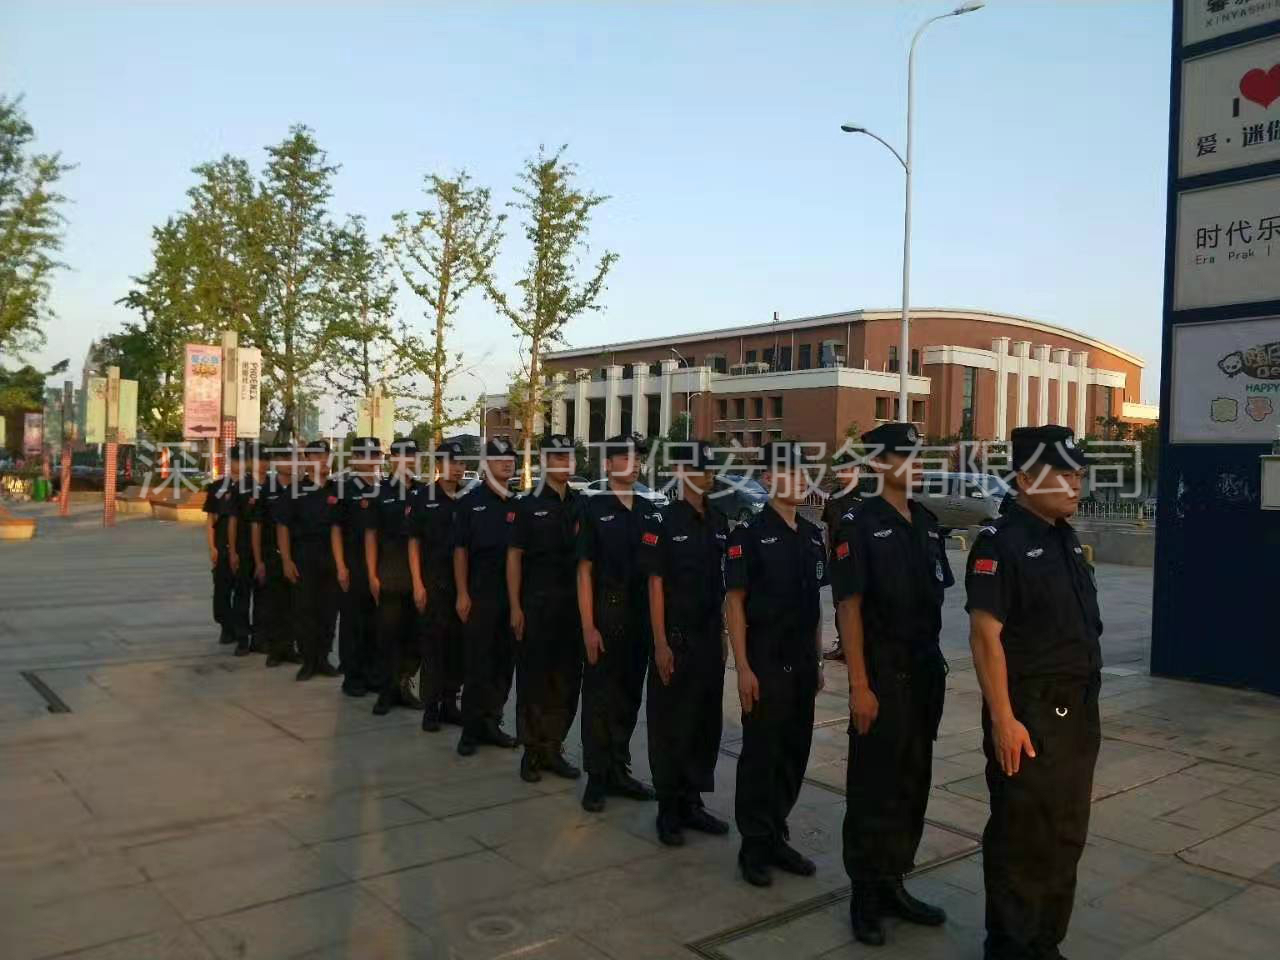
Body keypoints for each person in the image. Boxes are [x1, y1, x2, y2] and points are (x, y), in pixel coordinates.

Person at [966, 425, 1101, 960]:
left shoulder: (1065, 539)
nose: (1076, 483)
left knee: (1065, 834)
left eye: (1078, 473)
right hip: (1030, 714)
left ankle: (1046, 943)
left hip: (1076, 715)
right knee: (1023, 838)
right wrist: (1003, 718)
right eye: (1063, 473)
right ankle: (1010, 947)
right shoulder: (1001, 542)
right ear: (1025, 479)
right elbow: (985, 637)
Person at [832, 422, 952, 946]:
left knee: (911, 783)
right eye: (906, 456)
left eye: (919, 455)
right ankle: (865, 895)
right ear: (879, 463)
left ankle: (894, 881)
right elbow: (849, 608)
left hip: (924, 676)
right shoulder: (859, 523)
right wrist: (859, 685)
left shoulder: (926, 522)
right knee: (873, 786)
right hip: (882, 677)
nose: (917, 464)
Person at [727, 441, 827, 887]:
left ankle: (776, 834)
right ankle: (754, 845)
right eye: (788, 471)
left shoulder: (811, 534)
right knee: (761, 756)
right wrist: (743, 669)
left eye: (803, 471)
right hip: (765, 663)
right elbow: (735, 604)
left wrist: (818, 659)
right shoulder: (748, 534)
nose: (799, 479)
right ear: (767, 479)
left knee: (793, 753)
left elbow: (816, 604)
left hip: (802, 663)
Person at [639, 439, 732, 847]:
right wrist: (660, 642)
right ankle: (669, 808)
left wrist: (724, 634)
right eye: (699, 469)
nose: (706, 476)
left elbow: (723, 585)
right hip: (675, 639)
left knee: (703, 722)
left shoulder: (719, 521)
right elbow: (655, 585)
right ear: (680, 472)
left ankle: (692, 801)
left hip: (709, 638)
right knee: (670, 723)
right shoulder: (663, 521)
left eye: (710, 469)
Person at [576, 433, 660, 812]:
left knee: (629, 695)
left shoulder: (649, 510)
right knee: (599, 697)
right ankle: (597, 776)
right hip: (605, 614)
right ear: (608, 465)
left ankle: (618, 769)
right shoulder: (593, 509)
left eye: (638, 457)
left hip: (640, 616)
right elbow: (584, 571)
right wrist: (588, 626)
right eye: (626, 457)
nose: (635, 463)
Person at [508, 434, 583, 782]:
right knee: (534, 679)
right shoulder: (527, 505)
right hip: (537, 604)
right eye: (558, 457)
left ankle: (553, 746)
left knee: (566, 680)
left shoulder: (581, 505)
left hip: (572, 607)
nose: (566, 463)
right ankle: (532, 751)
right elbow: (514, 558)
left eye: (569, 456)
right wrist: (515, 606)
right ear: (544, 460)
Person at [454, 437, 520, 755]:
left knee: (503, 664)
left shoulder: (519, 504)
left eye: (511, 458)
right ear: (486, 464)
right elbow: (460, 551)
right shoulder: (471, 502)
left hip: (512, 598)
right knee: (478, 665)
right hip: (481, 595)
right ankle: (470, 731)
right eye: (499, 459)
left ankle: (492, 722)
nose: (507, 463)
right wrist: (462, 593)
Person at [409, 438, 468, 731]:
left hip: (462, 585)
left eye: (461, 463)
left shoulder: (468, 499)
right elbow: (414, 543)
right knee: (434, 647)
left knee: (457, 647)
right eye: (450, 462)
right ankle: (430, 708)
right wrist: (417, 584)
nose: (457, 468)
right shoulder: (423, 497)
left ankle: (449, 704)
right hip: (433, 582)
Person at [366, 438, 426, 716]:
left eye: (413, 456)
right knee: (388, 635)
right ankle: (386, 692)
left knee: (415, 635)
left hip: (419, 575)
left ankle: (404, 684)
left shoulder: (425, 492)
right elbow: (371, 536)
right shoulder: (380, 493)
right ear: (393, 459)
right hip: (390, 572)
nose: (409, 460)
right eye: (403, 455)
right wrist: (372, 575)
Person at [274, 440, 342, 681]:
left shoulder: (337, 490)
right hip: (304, 555)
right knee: (305, 609)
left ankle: (323, 658)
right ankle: (308, 660)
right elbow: (282, 526)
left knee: (329, 610)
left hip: (331, 556)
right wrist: (286, 560)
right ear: (306, 459)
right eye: (317, 455)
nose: (323, 460)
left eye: (326, 455)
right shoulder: (295, 490)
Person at [332, 437, 383, 698]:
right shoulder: (344, 489)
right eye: (364, 455)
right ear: (354, 459)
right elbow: (336, 530)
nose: (370, 460)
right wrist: (341, 566)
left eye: (375, 455)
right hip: (353, 563)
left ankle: (373, 674)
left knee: (375, 622)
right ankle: (352, 676)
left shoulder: (384, 488)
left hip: (379, 565)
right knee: (353, 622)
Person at [253, 446, 298, 668]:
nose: (289, 463)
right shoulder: (265, 490)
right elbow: (257, 526)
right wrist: (258, 560)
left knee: (295, 604)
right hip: (271, 553)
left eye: (292, 458)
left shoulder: (302, 488)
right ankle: (275, 649)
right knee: (274, 602)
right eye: (284, 458)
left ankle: (290, 647)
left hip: (298, 554)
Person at [822, 449, 864, 662]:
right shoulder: (833, 496)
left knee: (861, 604)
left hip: (861, 560)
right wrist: (828, 555)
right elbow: (829, 529)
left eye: (846, 470)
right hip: (839, 560)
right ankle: (843, 645)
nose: (841, 474)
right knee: (840, 603)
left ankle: (862, 646)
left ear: (857, 470)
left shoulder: (867, 496)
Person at [224, 441, 263, 657]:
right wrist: (232, 552)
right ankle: (242, 638)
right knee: (242, 595)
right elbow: (232, 521)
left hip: (266, 549)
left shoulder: (271, 486)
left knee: (264, 597)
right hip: (244, 548)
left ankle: (259, 637)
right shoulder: (240, 487)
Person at [202, 448, 237, 646]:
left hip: (244, 545)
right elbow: (210, 520)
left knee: (243, 591)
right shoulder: (217, 487)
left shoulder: (254, 487)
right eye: (235, 460)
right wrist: (212, 548)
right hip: (222, 545)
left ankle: (243, 629)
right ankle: (226, 627)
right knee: (222, 589)